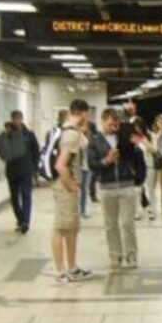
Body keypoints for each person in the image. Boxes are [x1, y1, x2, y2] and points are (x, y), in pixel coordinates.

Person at [89, 108, 146, 269]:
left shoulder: (126, 136)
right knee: (110, 224)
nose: (114, 127)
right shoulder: (95, 140)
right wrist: (106, 160)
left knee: (128, 223)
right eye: (110, 124)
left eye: (116, 124)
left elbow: (140, 152)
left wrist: (138, 179)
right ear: (103, 122)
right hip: (107, 188)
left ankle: (132, 255)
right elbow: (92, 164)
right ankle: (115, 255)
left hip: (127, 186)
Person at [51, 100, 93, 284]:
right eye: (87, 114)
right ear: (83, 113)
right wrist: (72, 187)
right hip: (65, 187)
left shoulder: (73, 132)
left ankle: (72, 268)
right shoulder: (70, 135)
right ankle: (61, 272)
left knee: (72, 229)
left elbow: (86, 144)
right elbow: (60, 165)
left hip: (68, 187)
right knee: (60, 229)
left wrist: (84, 128)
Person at [0, 111, 40, 233]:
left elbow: (36, 151)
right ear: (12, 119)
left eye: (18, 119)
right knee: (14, 198)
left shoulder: (29, 134)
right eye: (14, 119)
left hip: (26, 170)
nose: (16, 121)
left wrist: (35, 168)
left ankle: (25, 222)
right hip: (12, 171)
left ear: (21, 119)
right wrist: (4, 133)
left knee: (26, 195)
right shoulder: (7, 134)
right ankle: (20, 219)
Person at [133, 118, 158, 221]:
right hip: (137, 166)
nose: (137, 130)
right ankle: (138, 212)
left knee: (150, 189)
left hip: (149, 165)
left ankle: (152, 210)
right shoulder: (133, 137)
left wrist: (144, 141)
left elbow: (154, 150)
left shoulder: (151, 136)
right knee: (137, 190)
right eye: (135, 128)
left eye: (138, 127)